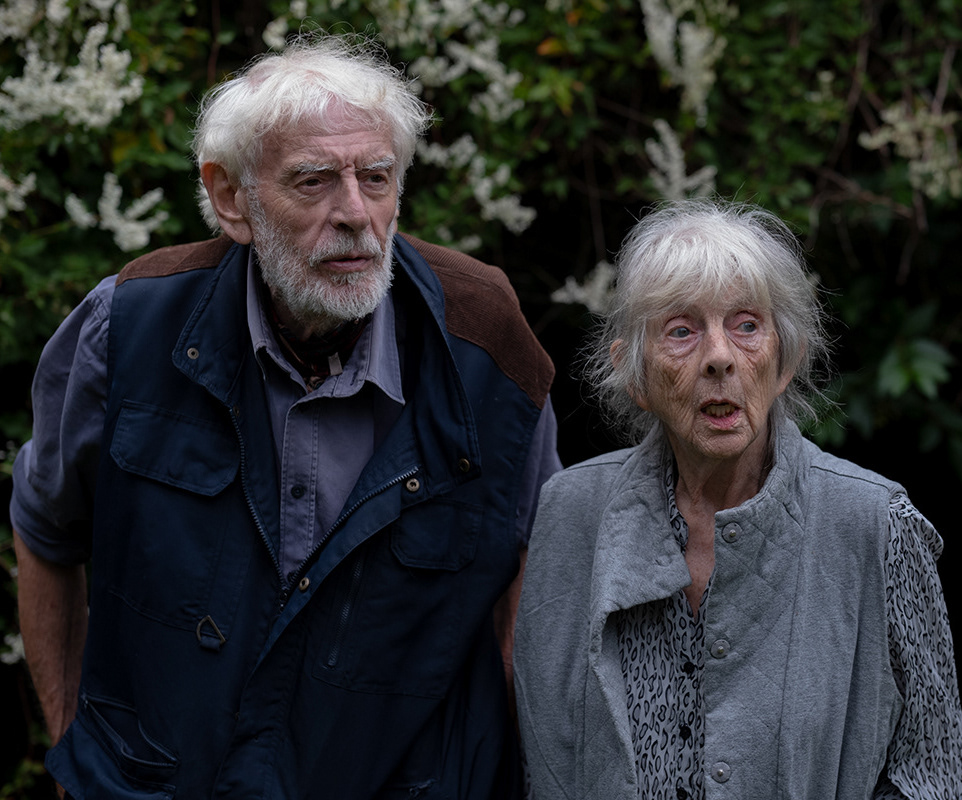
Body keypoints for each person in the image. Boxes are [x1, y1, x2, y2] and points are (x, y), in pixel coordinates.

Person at [11, 33, 560, 799]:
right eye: (313, 181)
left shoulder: (488, 347)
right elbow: (45, 531)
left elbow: (529, 595)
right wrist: (78, 757)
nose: (356, 214)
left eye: (376, 177)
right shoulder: (129, 328)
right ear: (231, 197)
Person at [513, 199, 962, 800]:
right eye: (681, 331)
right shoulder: (570, 513)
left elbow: (932, 778)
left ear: (786, 359)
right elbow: (543, 759)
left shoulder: (878, 527)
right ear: (635, 374)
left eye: (747, 325)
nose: (720, 357)